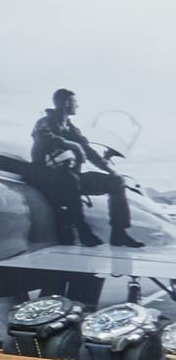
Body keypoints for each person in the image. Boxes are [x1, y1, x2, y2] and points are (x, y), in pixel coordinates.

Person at [33, 86, 135, 248]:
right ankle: (83, 231)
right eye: (75, 102)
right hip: (47, 177)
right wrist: (74, 146)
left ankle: (119, 233)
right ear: (66, 103)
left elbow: (89, 151)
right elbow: (45, 139)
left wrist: (111, 171)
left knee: (117, 182)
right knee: (70, 180)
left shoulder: (72, 128)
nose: (77, 106)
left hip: (68, 177)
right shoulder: (44, 123)